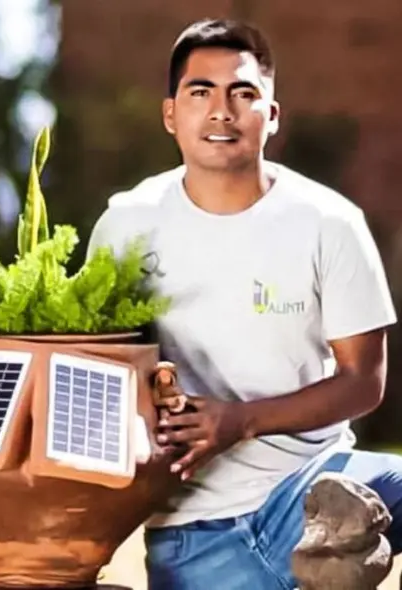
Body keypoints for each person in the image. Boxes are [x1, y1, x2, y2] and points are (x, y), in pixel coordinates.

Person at [85, 18, 400, 589]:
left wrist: (241, 421)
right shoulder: (127, 225)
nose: (222, 110)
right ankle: (334, 569)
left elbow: (364, 382)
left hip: (318, 488)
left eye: (244, 93)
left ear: (271, 115)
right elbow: (93, 365)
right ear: (171, 114)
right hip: (195, 528)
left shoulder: (330, 223)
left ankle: (337, 549)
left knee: (379, 491)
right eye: (200, 91)